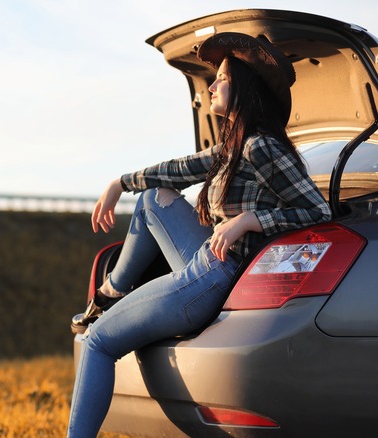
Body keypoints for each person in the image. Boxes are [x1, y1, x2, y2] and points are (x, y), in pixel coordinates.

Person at [66, 32, 332, 437]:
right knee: (155, 196)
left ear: (244, 86)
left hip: (212, 277)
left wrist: (251, 220)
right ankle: (111, 292)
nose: (210, 86)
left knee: (98, 342)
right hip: (210, 261)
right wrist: (120, 182)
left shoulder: (261, 147)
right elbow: (178, 169)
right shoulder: (234, 144)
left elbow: (318, 210)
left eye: (220, 78)